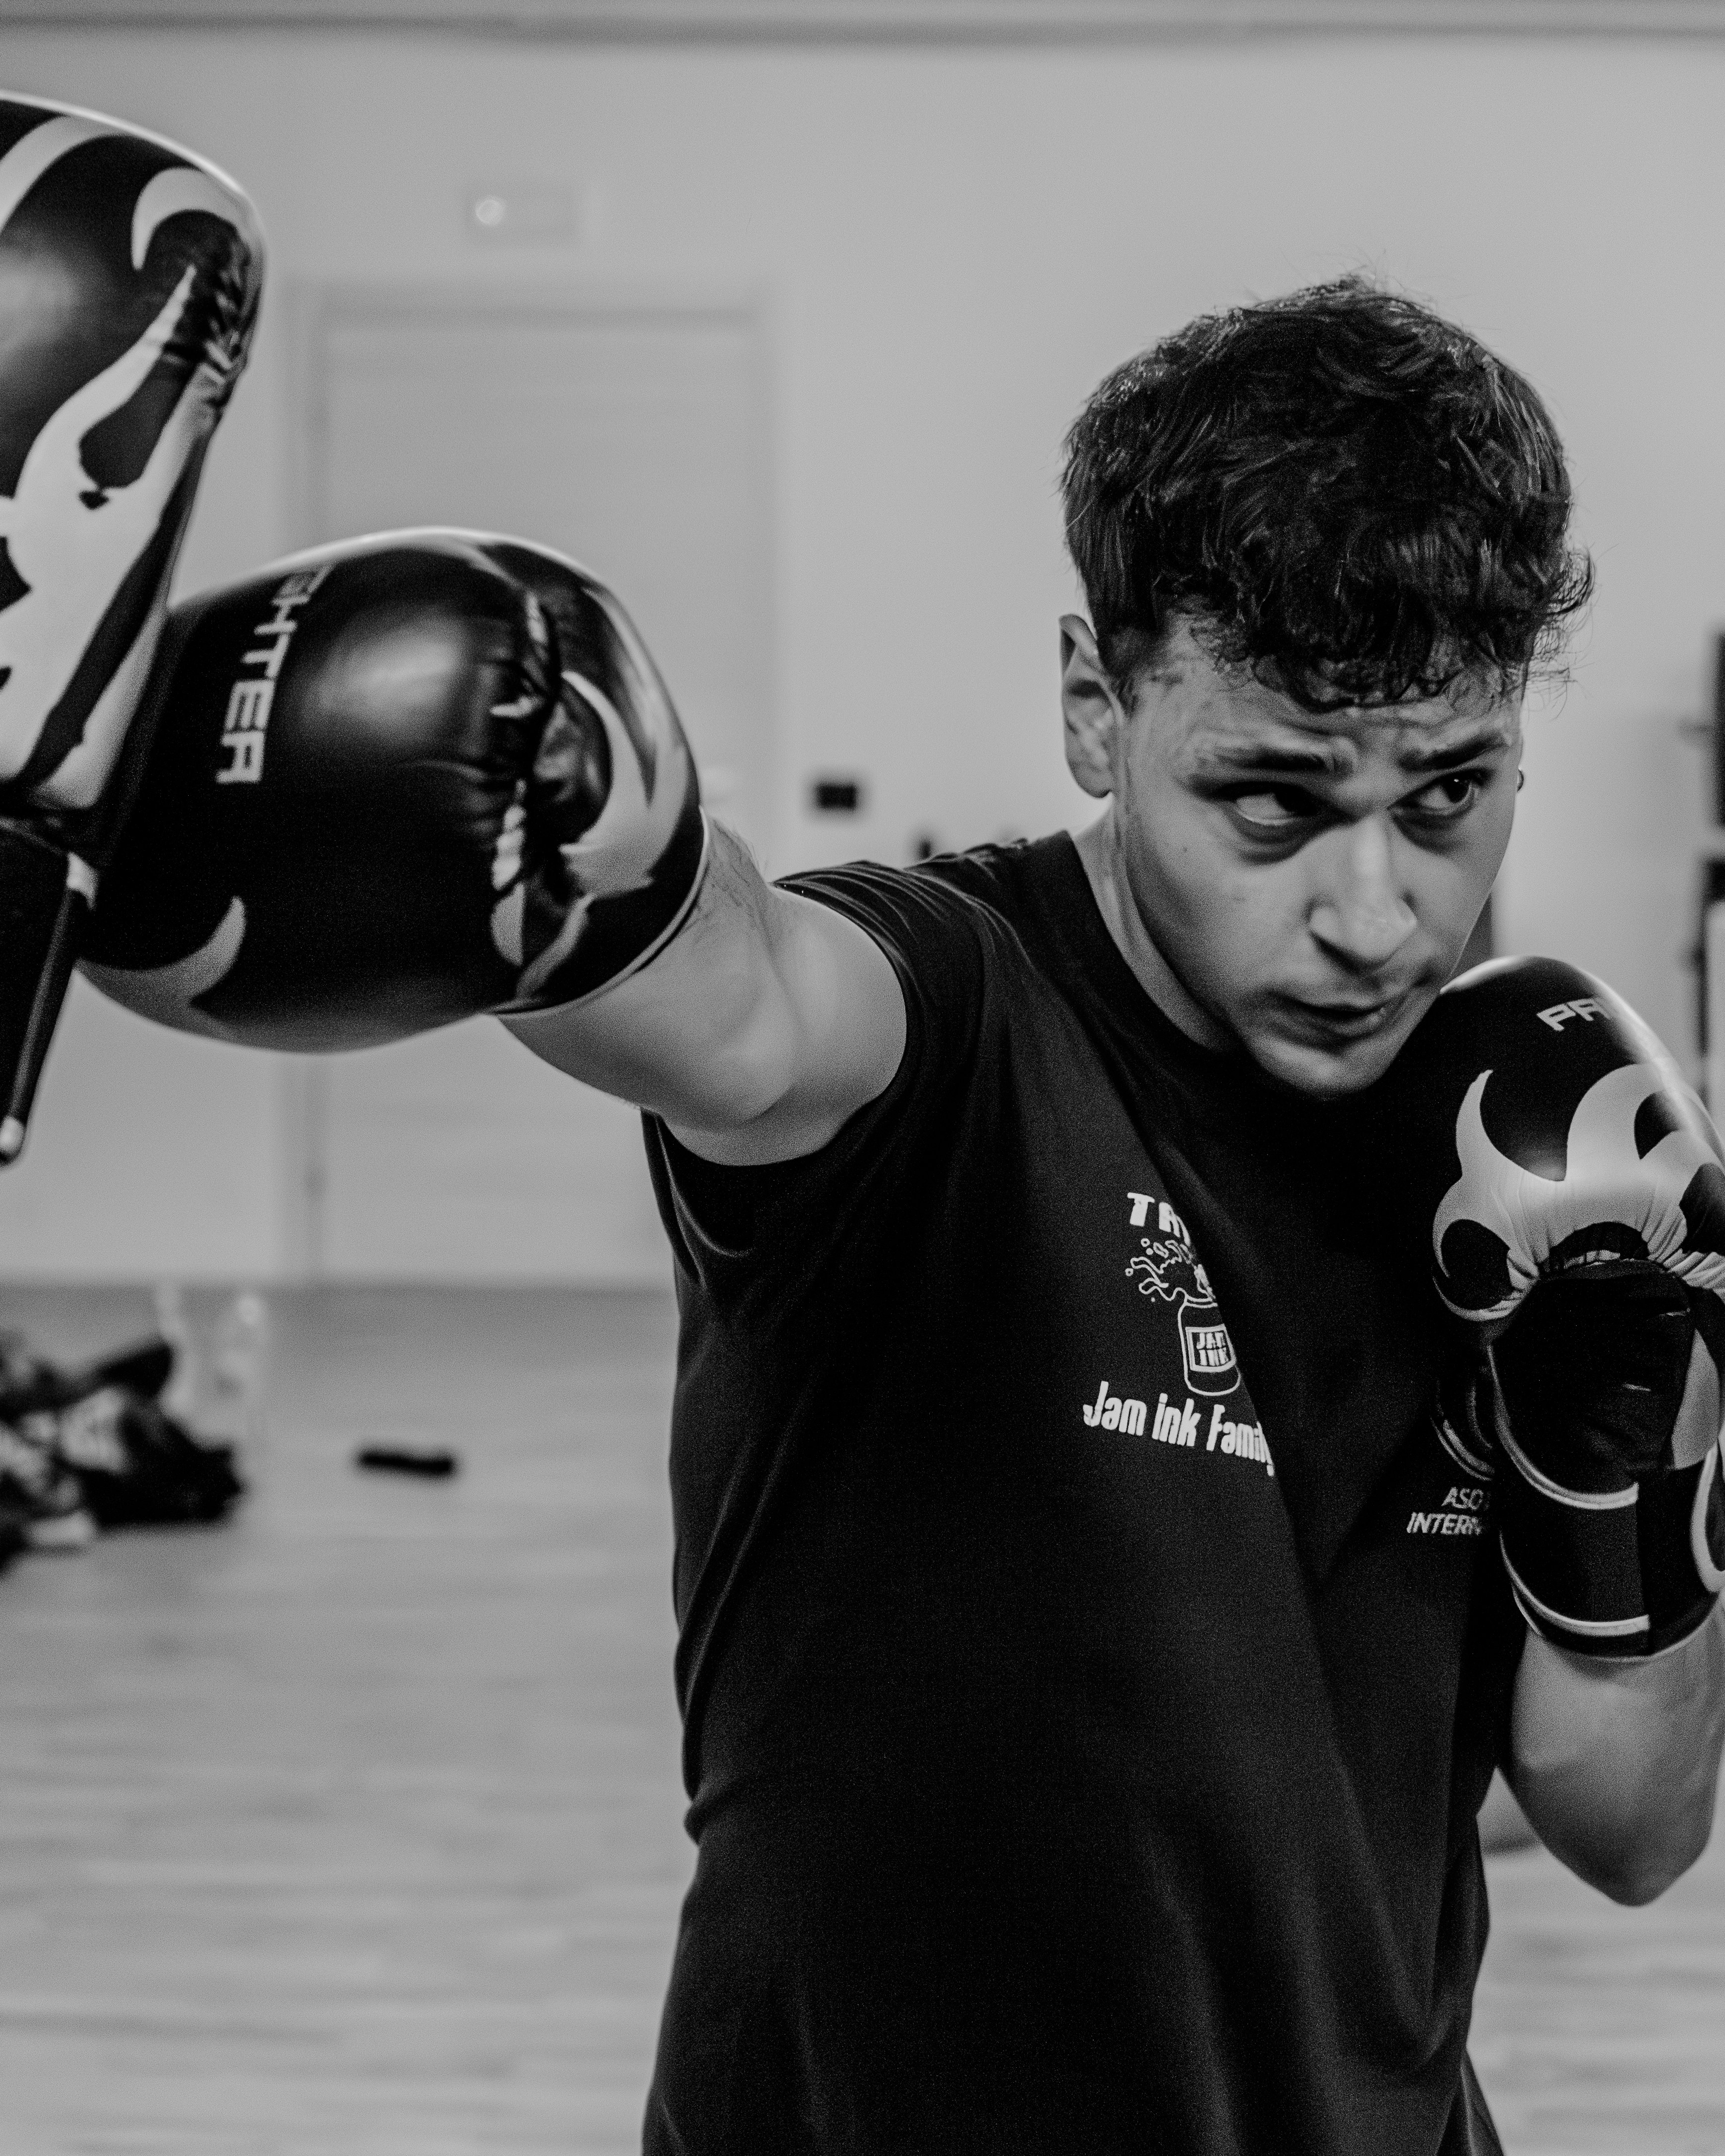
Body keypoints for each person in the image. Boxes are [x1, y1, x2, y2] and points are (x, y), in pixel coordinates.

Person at [19, 266, 1725, 2152]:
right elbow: (745, 1005)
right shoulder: (954, 1019)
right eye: (1272, 803)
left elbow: (1628, 1826)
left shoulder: (1525, 1148)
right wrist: (577, 837)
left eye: (1451, 796)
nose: (1377, 912)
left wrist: (1615, 1444)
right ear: (1094, 706)